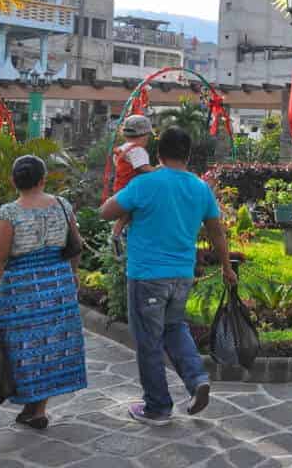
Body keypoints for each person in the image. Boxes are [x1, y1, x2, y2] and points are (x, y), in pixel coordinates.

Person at [100, 127, 237, 426]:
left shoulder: (145, 184)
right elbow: (217, 232)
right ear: (188, 155)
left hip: (147, 275)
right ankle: (197, 379)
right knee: (175, 329)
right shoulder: (200, 188)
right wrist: (226, 267)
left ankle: (157, 407)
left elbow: (105, 211)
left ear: (158, 153)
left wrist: (127, 200)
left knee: (148, 341)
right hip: (182, 275)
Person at [0, 155, 87, 429]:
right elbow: (75, 245)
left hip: (21, 291)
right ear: (43, 179)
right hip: (57, 285)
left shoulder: (8, 213)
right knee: (49, 346)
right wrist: (73, 274)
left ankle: (33, 407)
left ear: (13, 180)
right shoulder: (62, 205)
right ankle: (37, 409)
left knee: (20, 346)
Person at [111, 115, 156, 248]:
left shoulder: (123, 149)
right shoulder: (138, 150)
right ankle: (117, 234)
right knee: (131, 213)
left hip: (120, 186)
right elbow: (143, 168)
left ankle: (119, 234)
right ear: (144, 135)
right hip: (131, 188)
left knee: (127, 214)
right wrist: (158, 170)